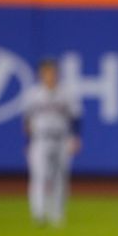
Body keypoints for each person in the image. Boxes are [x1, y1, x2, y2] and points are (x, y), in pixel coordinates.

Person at [22, 59, 82, 227]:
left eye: (52, 72)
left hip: (62, 138)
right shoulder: (33, 94)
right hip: (39, 139)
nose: (49, 75)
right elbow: (27, 120)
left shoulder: (66, 93)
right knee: (39, 176)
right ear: (40, 74)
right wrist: (28, 142)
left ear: (57, 73)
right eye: (46, 72)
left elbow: (76, 117)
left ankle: (57, 214)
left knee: (60, 177)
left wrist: (75, 138)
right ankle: (39, 214)